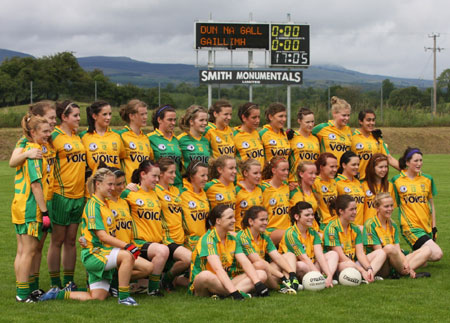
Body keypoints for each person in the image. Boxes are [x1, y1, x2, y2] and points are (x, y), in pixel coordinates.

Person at [40, 169, 142, 305]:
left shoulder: (105, 203)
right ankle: (124, 297)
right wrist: (127, 246)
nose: (113, 188)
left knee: (97, 297)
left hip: (105, 252)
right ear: (98, 184)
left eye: (113, 184)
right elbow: (102, 236)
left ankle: (57, 294)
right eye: (110, 184)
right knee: (127, 256)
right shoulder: (93, 205)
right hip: (95, 254)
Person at [9, 101, 57, 298]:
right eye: (45, 131)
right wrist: (44, 212)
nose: (48, 134)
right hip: (30, 206)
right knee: (28, 251)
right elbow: (36, 185)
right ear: (34, 132)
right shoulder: (33, 151)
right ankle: (23, 293)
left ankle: (26, 289)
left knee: (22, 251)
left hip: (20, 205)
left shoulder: (29, 148)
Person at [189, 205, 269, 299]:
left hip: (225, 281)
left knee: (261, 274)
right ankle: (235, 294)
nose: (234, 221)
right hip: (207, 283)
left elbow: (245, 262)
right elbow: (217, 269)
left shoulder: (233, 238)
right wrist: (234, 292)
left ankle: (225, 296)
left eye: (234, 217)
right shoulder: (208, 239)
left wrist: (258, 283)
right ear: (218, 221)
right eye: (230, 218)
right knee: (205, 276)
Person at [47, 101, 86, 290]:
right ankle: (55, 283)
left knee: (71, 240)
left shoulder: (77, 136)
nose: (79, 119)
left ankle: (69, 282)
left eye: (79, 115)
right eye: (75, 116)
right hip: (61, 195)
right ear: (64, 117)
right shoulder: (54, 136)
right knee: (57, 240)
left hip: (79, 196)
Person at [121, 160, 170, 296]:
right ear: (143, 174)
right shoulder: (130, 193)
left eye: (158, 176)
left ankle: (145, 285)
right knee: (163, 251)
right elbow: (111, 200)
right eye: (154, 176)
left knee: (164, 249)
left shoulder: (156, 193)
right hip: (138, 243)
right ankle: (153, 289)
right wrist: (125, 187)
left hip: (155, 242)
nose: (157, 179)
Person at [104, 167, 154, 295]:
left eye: (123, 183)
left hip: (127, 248)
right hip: (110, 250)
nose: (121, 187)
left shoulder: (125, 201)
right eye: (117, 184)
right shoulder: (104, 203)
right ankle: (119, 289)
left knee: (148, 268)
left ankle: (114, 282)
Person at [391, 147, 443, 263]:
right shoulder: (396, 180)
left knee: (422, 260)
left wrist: (434, 227)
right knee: (437, 254)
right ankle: (398, 263)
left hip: (426, 226)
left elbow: (431, 205)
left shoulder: (427, 179)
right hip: (410, 227)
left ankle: (401, 257)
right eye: (416, 161)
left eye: (421, 160)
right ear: (407, 162)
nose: (419, 163)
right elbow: (391, 205)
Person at [363, 193, 431, 279]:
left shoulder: (393, 225)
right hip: (381, 265)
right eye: (386, 206)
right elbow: (380, 252)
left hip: (394, 261)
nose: (390, 209)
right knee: (389, 248)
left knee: (427, 249)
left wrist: (405, 262)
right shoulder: (370, 224)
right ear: (377, 208)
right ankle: (405, 272)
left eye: (391, 206)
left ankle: (401, 271)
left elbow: (397, 249)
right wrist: (402, 262)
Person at [324, 195, 386, 283]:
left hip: (353, 264)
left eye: (355, 209)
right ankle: (360, 276)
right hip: (340, 265)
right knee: (349, 264)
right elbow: (341, 257)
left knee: (381, 252)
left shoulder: (355, 228)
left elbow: (360, 254)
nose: (355, 212)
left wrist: (369, 268)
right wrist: (361, 270)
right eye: (351, 209)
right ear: (341, 211)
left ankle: (368, 276)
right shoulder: (332, 228)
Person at [238, 206, 298, 293]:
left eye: (266, 219)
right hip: (249, 274)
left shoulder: (264, 235)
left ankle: (291, 282)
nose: (266, 223)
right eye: (262, 220)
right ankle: (281, 286)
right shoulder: (242, 236)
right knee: (260, 265)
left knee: (290, 255)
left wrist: (292, 273)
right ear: (251, 221)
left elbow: (277, 257)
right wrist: (282, 277)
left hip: (265, 270)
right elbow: (257, 261)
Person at [279, 202, 338, 288]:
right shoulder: (291, 233)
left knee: (333, 254)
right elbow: (303, 258)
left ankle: (328, 279)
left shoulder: (313, 232)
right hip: (298, 267)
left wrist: (329, 274)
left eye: (312, 214)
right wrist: (319, 276)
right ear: (297, 217)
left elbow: (319, 255)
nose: (311, 217)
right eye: (307, 215)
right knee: (302, 265)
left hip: (312, 264)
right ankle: (318, 280)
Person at [155, 158, 192, 290]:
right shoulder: (154, 190)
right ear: (161, 174)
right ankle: (165, 280)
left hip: (180, 238)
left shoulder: (176, 190)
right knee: (188, 258)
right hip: (166, 238)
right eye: (171, 172)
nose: (174, 176)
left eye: (175, 172)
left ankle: (169, 279)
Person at [80, 100, 125, 177]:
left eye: (110, 114)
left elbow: (122, 157)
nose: (108, 117)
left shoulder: (117, 135)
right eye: (104, 114)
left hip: (114, 184)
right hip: (96, 185)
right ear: (94, 116)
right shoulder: (84, 136)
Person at [351, 110, 399, 179]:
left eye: (373, 120)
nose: (371, 123)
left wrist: (406, 171)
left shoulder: (377, 138)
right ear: (360, 121)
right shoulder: (352, 138)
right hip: (359, 182)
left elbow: (389, 158)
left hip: (374, 182)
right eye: (368, 120)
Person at [117, 99, 154, 184]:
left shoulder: (145, 138)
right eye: (142, 114)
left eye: (146, 114)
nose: (145, 117)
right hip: (128, 188)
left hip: (144, 187)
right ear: (132, 116)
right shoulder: (121, 135)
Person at [148, 104, 182, 187]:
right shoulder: (149, 138)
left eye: (175, 120)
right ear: (159, 120)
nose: (173, 123)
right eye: (170, 120)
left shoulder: (177, 140)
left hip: (177, 185)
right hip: (158, 186)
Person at [179, 161, 210, 251]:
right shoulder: (181, 193)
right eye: (202, 175)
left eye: (207, 175)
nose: (206, 179)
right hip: (188, 242)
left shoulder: (204, 193)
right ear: (192, 176)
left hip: (204, 240)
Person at [261, 157, 290, 246]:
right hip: (270, 230)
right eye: (283, 170)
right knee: (293, 235)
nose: (286, 173)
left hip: (287, 229)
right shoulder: (262, 187)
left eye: (287, 170)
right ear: (274, 170)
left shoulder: (287, 187)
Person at [312, 96, 352, 161]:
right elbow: (305, 134)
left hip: (343, 170)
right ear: (334, 114)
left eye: (348, 115)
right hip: (327, 169)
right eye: (344, 115)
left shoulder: (348, 130)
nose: (347, 118)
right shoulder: (322, 128)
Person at [287, 108, 320, 187]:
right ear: (299, 121)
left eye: (312, 121)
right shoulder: (292, 137)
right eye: (307, 122)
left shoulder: (316, 138)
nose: (311, 125)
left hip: (312, 182)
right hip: (295, 183)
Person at [362, 154, 396, 223]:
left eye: (386, 167)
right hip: (368, 228)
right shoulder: (363, 186)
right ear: (372, 168)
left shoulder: (390, 186)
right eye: (380, 167)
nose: (384, 170)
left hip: (384, 228)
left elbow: (390, 210)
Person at [335, 151, 365, 228]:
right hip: (345, 228)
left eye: (358, 164)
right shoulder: (337, 182)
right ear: (344, 165)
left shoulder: (358, 182)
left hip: (359, 228)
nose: (356, 167)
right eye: (353, 165)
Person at [177, 105, 211, 170]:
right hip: (187, 179)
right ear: (191, 122)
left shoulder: (205, 140)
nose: (205, 123)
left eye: (206, 120)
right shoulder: (180, 139)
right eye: (201, 120)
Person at [290, 162, 320, 232]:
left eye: (315, 173)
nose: (314, 176)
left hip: (315, 229)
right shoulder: (292, 191)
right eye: (311, 173)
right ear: (301, 174)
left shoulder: (315, 191)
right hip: (298, 231)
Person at [233, 102, 264, 169]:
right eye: (254, 117)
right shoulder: (234, 136)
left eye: (259, 117)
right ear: (244, 117)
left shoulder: (258, 134)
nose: (258, 120)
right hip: (242, 178)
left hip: (259, 178)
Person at [235, 159, 263, 232]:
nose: (259, 176)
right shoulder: (236, 190)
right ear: (245, 173)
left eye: (260, 173)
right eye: (255, 173)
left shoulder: (261, 189)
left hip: (257, 232)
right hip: (240, 232)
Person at [312, 153, 338, 230]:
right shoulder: (314, 182)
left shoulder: (333, 182)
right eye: (332, 167)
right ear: (321, 167)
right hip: (324, 225)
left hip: (336, 222)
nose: (335, 170)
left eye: (336, 167)